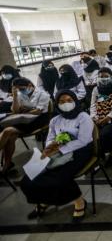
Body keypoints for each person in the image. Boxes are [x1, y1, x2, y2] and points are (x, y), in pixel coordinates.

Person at [20, 90, 93, 222]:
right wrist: (50, 147)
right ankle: (43, 199)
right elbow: (50, 137)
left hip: (80, 151)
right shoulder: (55, 119)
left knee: (59, 177)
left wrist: (61, 148)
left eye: (69, 100)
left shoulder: (83, 117)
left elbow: (84, 140)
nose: (66, 104)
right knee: (29, 178)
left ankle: (79, 202)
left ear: (75, 101)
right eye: (61, 101)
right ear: (57, 104)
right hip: (56, 151)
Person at [0, 77, 50, 173]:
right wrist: (15, 96)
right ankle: (7, 164)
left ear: (30, 85)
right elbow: (15, 111)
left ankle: (7, 164)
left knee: (7, 131)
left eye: (22, 89)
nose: (20, 91)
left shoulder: (42, 94)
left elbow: (38, 112)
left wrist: (26, 110)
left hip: (39, 120)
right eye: (18, 89)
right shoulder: (19, 94)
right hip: (24, 119)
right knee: (11, 135)